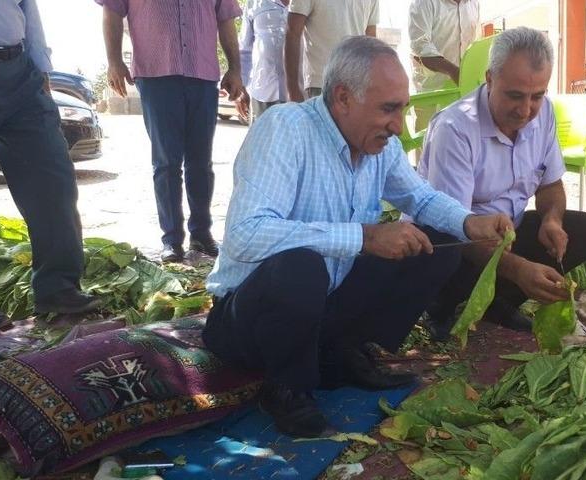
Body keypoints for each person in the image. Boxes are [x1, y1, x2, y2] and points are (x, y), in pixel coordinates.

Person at [202, 36, 512, 437]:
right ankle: (286, 387)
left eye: (401, 108)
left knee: (433, 242)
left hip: (324, 307)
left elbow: (420, 196)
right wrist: (364, 237)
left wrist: (472, 224)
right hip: (249, 321)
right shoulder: (284, 129)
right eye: (388, 109)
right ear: (343, 98)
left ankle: (342, 353)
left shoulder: (380, 146)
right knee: (300, 265)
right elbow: (246, 236)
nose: (398, 126)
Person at [419, 27, 586, 338]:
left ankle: (498, 301)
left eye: (537, 96)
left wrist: (552, 220)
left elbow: (550, 185)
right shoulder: (455, 129)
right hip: (453, 241)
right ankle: (440, 305)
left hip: (506, 236)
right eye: (515, 95)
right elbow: (454, 226)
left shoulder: (543, 114)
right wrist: (519, 269)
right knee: (448, 251)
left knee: (585, 230)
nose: (525, 110)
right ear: (490, 79)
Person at [99, 0, 246, 263]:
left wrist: (235, 69)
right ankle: (171, 239)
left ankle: (201, 234)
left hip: (202, 76)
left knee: (201, 162)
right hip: (156, 75)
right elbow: (111, 9)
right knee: (166, 162)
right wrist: (114, 61)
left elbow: (226, 19)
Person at [0, 0, 100, 315]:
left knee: (51, 180)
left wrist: (41, 67)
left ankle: (58, 288)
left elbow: (27, 8)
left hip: (19, 70)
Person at [284, 0, 378, 102]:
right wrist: (293, 90)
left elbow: (370, 41)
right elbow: (292, 33)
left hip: (357, 84)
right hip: (321, 84)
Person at [409, 0, 480, 92]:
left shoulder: (474, 3)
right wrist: (454, 72)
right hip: (432, 91)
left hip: (465, 89)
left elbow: (475, 43)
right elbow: (420, 47)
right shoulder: (423, 3)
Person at [239, 0, 290, 123]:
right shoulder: (254, 3)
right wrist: (241, 86)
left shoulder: (306, 3)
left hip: (298, 94)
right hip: (262, 92)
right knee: (261, 140)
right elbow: (244, 49)